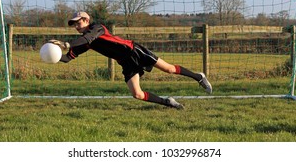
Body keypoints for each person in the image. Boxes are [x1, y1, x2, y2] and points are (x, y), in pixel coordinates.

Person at [49, 11, 212, 109]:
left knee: (168, 69)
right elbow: (68, 58)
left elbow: (89, 38)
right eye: (74, 24)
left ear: (86, 20)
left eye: (78, 22)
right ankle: (168, 102)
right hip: (125, 62)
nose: (76, 26)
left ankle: (199, 77)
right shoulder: (83, 43)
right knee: (137, 94)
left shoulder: (96, 28)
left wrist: (66, 43)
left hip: (134, 51)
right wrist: (53, 55)